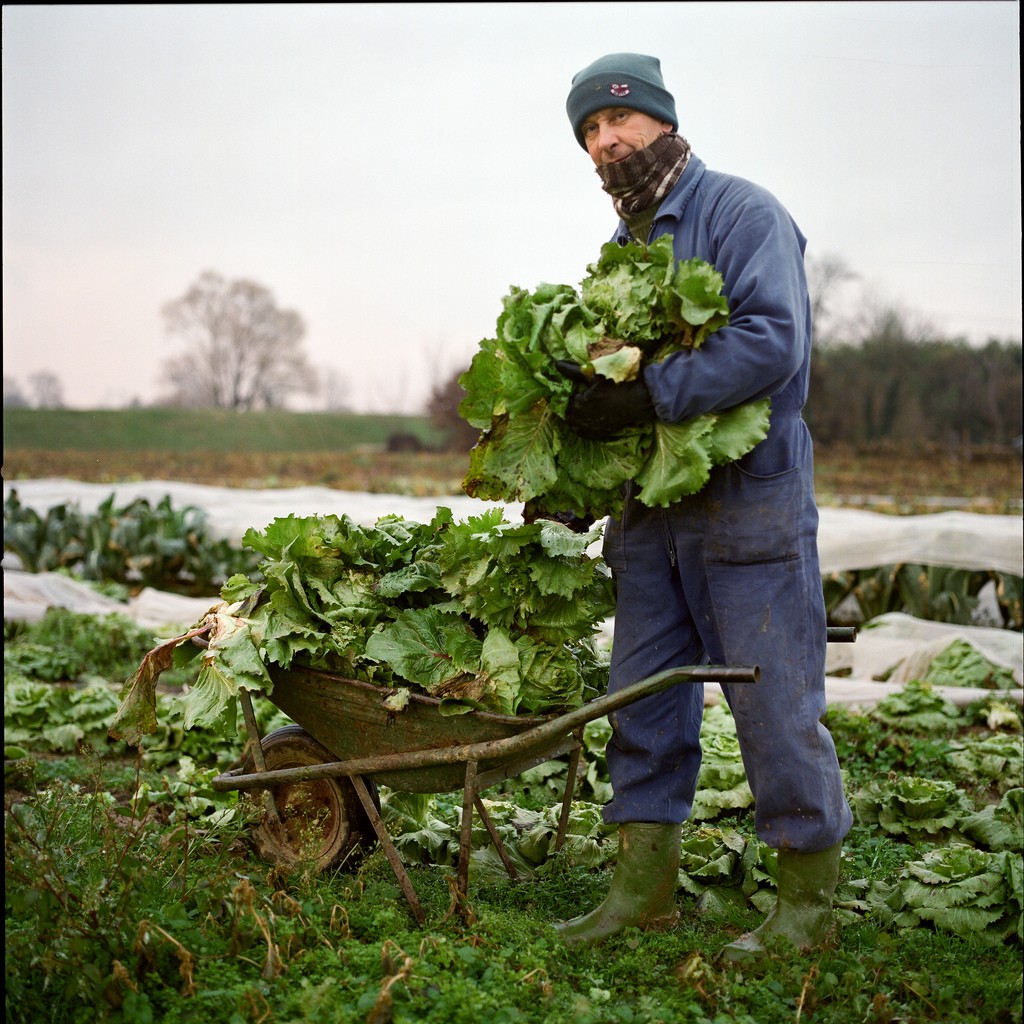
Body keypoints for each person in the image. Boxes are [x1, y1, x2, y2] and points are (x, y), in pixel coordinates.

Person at [552, 53, 853, 960]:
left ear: (659, 119)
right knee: (641, 702)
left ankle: (806, 908)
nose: (607, 142)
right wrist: (577, 479)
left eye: (618, 121)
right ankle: (642, 890)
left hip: (748, 512)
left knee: (773, 704)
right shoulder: (619, 253)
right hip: (651, 524)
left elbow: (773, 340)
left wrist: (650, 393)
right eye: (589, 134)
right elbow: (609, 389)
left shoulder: (741, 212)